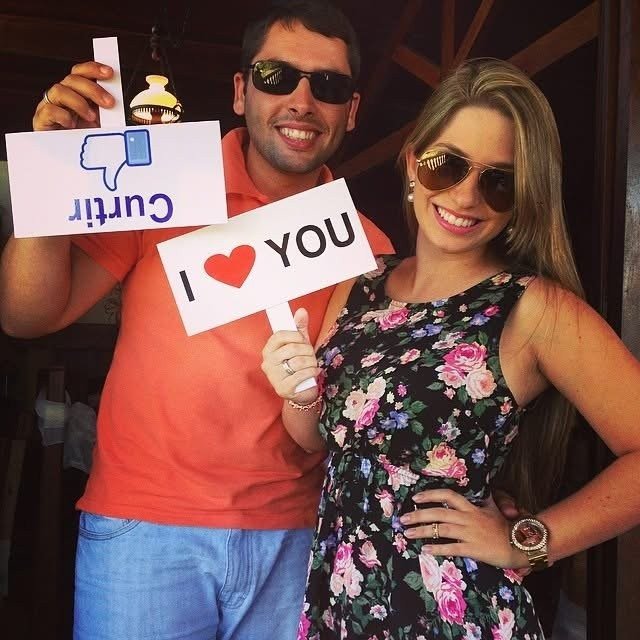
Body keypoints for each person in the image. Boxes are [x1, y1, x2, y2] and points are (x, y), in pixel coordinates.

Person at [0, 2, 396, 639]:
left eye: (327, 85)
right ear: (241, 91)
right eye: (276, 77)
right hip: (144, 530)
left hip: (296, 539)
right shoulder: (163, 182)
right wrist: (49, 175)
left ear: (350, 110)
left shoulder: (367, 246)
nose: (301, 101)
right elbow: (27, 316)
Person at [261, 57, 640, 639]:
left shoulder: (533, 308)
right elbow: (315, 439)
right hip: (344, 603)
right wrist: (300, 392)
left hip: (451, 615)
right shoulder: (361, 283)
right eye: (447, 165)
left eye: (498, 181)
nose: (465, 196)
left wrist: (527, 541)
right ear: (414, 162)